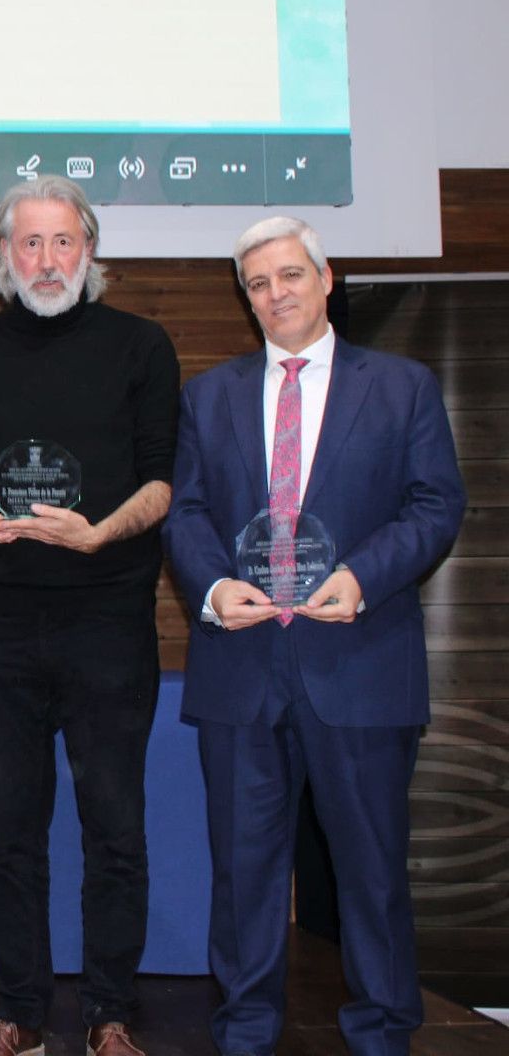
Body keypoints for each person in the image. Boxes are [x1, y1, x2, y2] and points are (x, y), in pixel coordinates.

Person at [164, 218, 464, 1056]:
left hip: (361, 666)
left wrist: (364, 577)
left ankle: (381, 1032)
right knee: (244, 875)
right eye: (257, 283)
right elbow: (186, 513)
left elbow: (437, 504)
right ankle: (247, 1031)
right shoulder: (209, 395)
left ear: (326, 278)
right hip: (240, 667)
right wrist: (217, 588)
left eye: (290, 275)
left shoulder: (401, 386)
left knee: (371, 875)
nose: (276, 294)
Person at [0, 176, 180, 1056]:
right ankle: (19, 1013)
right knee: (10, 835)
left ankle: (110, 1014)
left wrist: (100, 532)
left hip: (109, 623)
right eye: (28, 243)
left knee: (116, 828)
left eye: (62, 241)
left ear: (89, 250)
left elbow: (163, 477)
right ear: (4, 255)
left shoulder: (141, 347)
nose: (46, 260)